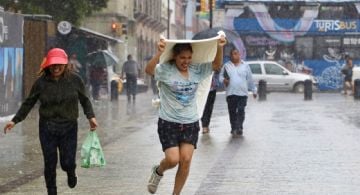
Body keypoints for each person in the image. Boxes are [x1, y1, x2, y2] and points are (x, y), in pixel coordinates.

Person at [3, 48, 98, 195]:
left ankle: (71, 171)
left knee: (67, 162)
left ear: (65, 65)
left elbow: (85, 100)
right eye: (53, 65)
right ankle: (51, 190)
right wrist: (15, 120)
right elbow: (29, 102)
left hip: (69, 127)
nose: (56, 68)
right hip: (47, 128)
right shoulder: (41, 83)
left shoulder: (75, 80)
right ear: (48, 65)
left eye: (59, 64)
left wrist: (91, 117)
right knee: (50, 163)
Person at [145, 36, 226, 194]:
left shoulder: (196, 70)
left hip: (190, 122)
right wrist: (159, 53)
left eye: (189, 57)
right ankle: (158, 171)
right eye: (182, 57)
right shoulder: (166, 70)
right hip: (168, 122)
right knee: (173, 159)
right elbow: (148, 70)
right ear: (175, 56)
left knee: (186, 160)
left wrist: (220, 46)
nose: (186, 61)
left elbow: (216, 65)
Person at [219, 48, 257, 137]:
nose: (234, 56)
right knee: (232, 112)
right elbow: (220, 77)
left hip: (243, 93)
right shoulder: (226, 66)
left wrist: (254, 90)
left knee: (241, 110)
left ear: (239, 55)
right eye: (232, 54)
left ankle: (239, 127)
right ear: (230, 56)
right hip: (231, 93)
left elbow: (250, 79)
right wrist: (223, 80)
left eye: (236, 54)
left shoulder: (246, 66)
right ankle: (233, 127)